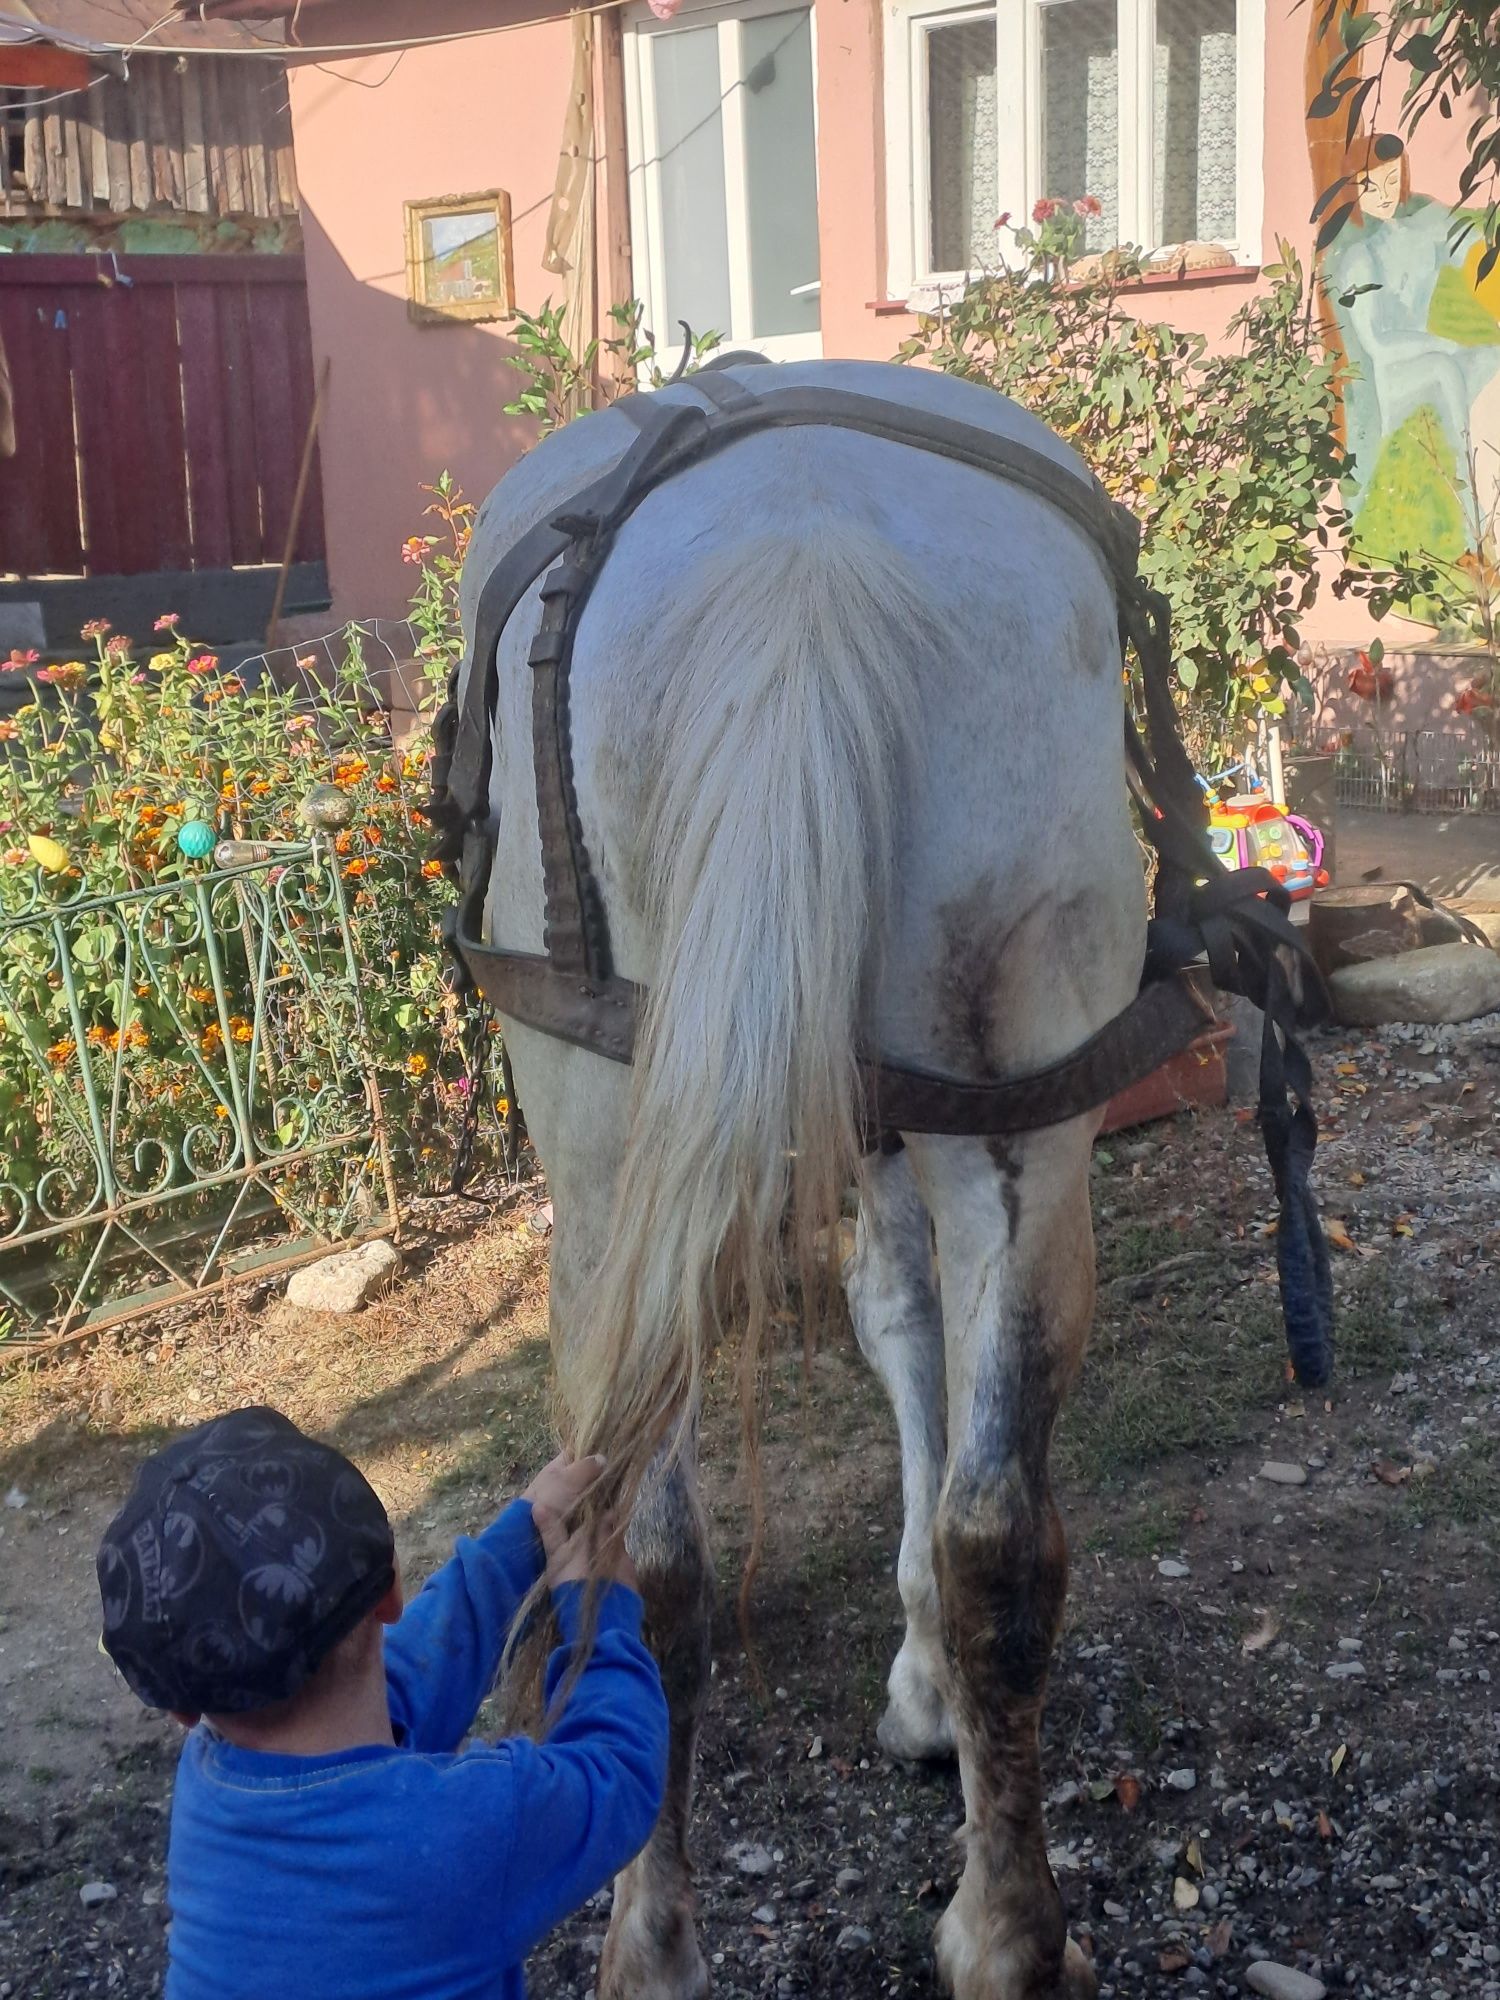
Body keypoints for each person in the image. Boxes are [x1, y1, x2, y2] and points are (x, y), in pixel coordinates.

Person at [95, 1404, 666, 2000]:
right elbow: (620, 1772)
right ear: (391, 1590)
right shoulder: (466, 1831)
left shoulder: (207, 1793)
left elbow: (403, 1690)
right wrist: (603, 1620)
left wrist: (525, 1537)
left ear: (182, 1712)